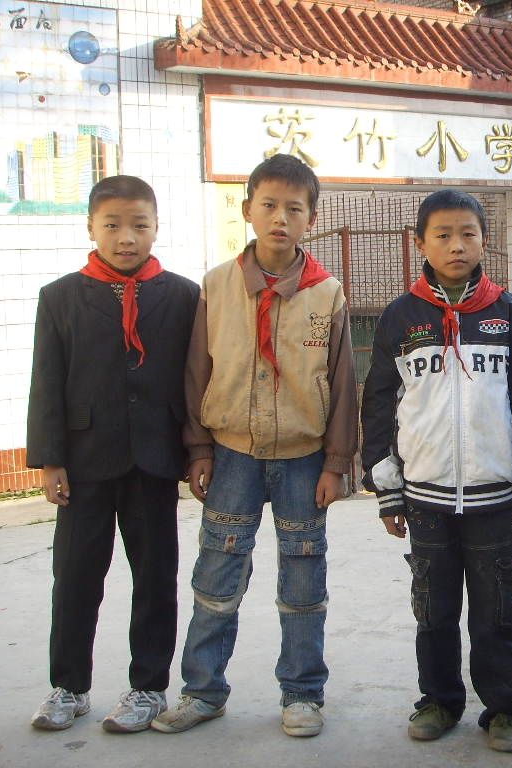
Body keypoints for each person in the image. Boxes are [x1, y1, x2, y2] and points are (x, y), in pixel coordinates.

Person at [151, 154, 358, 737]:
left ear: (312, 219)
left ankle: (303, 693)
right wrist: (199, 449)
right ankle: (202, 690)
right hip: (232, 454)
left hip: (303, 459)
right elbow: (198, 371)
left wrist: (336, 463)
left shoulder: (327, 294)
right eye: (268, 205)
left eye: (294, 208)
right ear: (247, 210)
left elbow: (343, 383)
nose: (280, 218)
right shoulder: (217, 286)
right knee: (217, 574)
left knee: (303, 580)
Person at [360, 189, 512, 753]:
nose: (456, 245)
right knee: (434, 608)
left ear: (484, 241)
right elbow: (379, 403)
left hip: (494, 496)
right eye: (442, 235)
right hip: (424, 496)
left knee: (497, 611)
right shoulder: (401, 316)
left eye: (468, 233)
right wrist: (387, 488)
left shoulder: (508, 313)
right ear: (421, 243)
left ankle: (503, 709)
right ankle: (439, 700)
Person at [26, 175, 200, 732]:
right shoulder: (60, 297)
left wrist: (197, 449)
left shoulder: (182, 295)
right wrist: (50, 459)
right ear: (91, 228)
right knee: (75, 577)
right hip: (84, 462)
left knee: (155, 578)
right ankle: (68, 686)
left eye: (139, 225)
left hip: (155, 458)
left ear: (156, 227)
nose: (127, 237)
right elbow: (46, 382)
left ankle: (148, 687)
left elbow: (196, 377)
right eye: (113, 225)